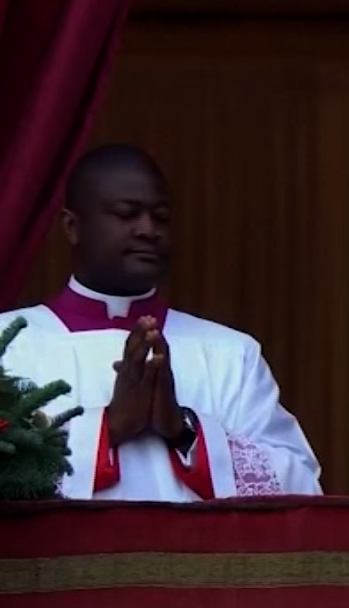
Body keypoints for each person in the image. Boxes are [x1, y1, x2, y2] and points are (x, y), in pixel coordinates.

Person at [0, 144, 322, 501]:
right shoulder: (9, 343)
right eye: (127, 214)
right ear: (73, 226)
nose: (148, 229)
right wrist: (107, 429)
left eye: (161, 217)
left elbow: (302, 488)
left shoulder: (230, 354)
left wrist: (186, 431)